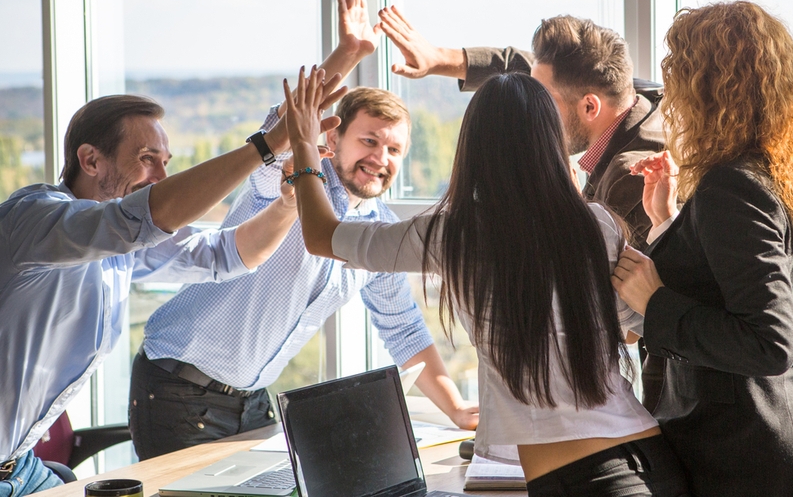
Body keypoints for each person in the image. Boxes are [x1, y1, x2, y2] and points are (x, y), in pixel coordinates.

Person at [285, 70, 690, 497]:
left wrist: (304, 147)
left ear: (474, 148)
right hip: (653, 461)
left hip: (587, 481)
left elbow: (322, 236)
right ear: (550, 144)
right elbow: (629, 329)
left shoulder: (452, 234)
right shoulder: (596, 224)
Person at [129, 0, 478, 460]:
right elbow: (281, 130)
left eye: (394, 149)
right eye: (370, 141)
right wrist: (349, 53)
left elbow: (403, 327)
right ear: (330, 141)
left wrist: (458, 408)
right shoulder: (291, 181)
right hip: (177, 387)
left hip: (252, 401)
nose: (381, 157)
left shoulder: (376, 233)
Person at [0, 77, 343, 496]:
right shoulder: (36, 221)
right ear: (90, 160)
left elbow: (227, 255)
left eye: (166, 161)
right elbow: (148, 217)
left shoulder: (117, 244)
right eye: (146, 158)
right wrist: (265, 146)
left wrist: (289, 201)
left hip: (21, 465)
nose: (161, 175)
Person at [378, 7, 668, 411]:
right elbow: (528, 69)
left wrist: (562, 193)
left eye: (540, 102)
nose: (529, 110)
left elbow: (617, 316)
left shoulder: (629, 174)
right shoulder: (629, 94)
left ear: (588, 108)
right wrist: (438, 59)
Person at [612, 1, 793, 496]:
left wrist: (654, 303)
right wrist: (667, 222)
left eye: (677, 80)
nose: (668, 97)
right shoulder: (771, 174)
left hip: (740, 459)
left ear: (710, 90)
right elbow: (731, 285)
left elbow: (771, 343)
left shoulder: (732, 186)